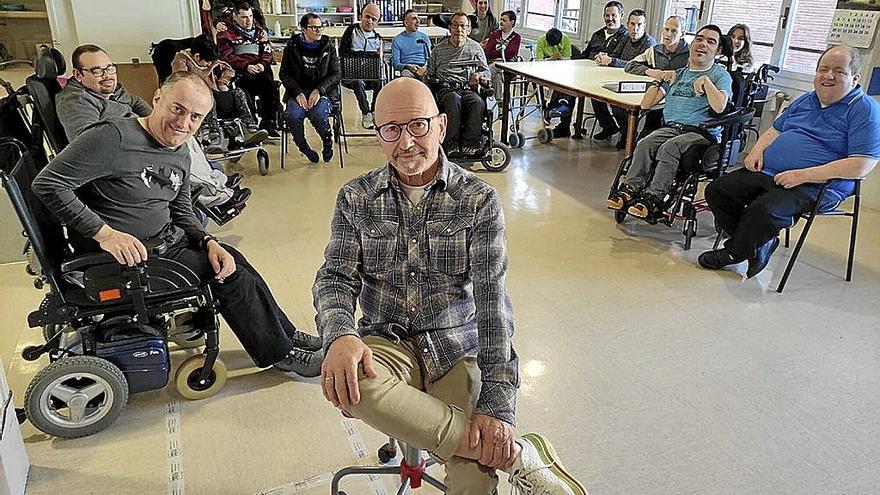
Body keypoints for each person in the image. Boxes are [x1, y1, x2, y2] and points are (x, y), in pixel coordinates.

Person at [313, 76, 588, 495]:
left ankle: (489, 447)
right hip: (386, 342)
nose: (406, 142)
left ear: (441, 126)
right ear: (379, 135)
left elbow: (493, 303)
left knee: (472, 484)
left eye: (418, 126)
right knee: (351, 385)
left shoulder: (477, 200)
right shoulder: (356, 197)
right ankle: (517, 456)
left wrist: (497, 407)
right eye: (391, 129)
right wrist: (341, 335)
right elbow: (335, 276)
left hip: (454, 346)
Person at [33, 72, 324, 376]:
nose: (184, 123)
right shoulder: (112, 137)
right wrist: (105, 234)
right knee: (230, 278)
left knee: (233, 259)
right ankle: (281, 353)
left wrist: (207, 240)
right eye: (177, 109)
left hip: (165, 240)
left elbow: (181, 209)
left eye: (195, 117)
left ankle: (286, 333)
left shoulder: (181, 149)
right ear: (157, 99)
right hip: (127, 256)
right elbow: (48, 184)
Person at [699, 45, 880, 278]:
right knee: (718, 191)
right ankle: (757, 243)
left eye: (838, 71)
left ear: (854, 78)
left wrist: (802, 175)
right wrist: (756, 151)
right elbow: (774, 131)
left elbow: (862, 164)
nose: (828, 76)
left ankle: (735, 252)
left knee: (764, 210)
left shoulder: (864, 111)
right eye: (823, 69)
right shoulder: (807, 99)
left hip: (821, 185)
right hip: (772, 172)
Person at [56, 44, 249, 212]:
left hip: (138, 135)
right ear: (78, 75)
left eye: (110, 68)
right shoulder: (75, 101)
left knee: (182, 133)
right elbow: (87, 142)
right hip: (126, 150)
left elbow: (136, 102)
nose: (107, 75)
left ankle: (215, 183)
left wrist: (155, 119)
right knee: (176, 146)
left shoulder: (113, 90)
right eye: (97, 71)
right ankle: (218, 195)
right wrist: (137, 133)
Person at [606, 25, 732, 220]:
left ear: (719, 50)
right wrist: (660, 77)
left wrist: (707, 83)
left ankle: (654, 197)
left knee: (670, 148)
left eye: (711, 42)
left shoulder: (720, 76)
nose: (703, 44)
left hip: (700, 133)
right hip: (673, 128)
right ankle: (630, 189)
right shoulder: (679, 74)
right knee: (645, 143)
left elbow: (720, 107)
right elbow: (647, 104)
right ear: (692, 44)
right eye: (699, 39)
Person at [172, 34, 268, 150]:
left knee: (239, 92)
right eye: (207, 62)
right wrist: (209, 69)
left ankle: (249, 128)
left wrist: (222, 82)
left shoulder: (209, 58)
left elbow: (229, 70)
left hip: (215, 92)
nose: (209, 64)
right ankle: (213, 133)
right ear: (197, 56)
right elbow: (184, 81)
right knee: (208, 95)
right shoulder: (182, 59)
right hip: (196, 97)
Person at [549, 1, 627, 139]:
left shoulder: (625, 37)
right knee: (565, 79)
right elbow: (585, 54)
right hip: (587, 72)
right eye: (607, 15)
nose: (610, 19)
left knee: (593, 94)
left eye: (613, 15)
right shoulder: (598, 34)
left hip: (608, 76)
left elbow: (619, 59)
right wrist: (569, 64)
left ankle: (609, 127)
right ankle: (563, 122)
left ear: (621, 15)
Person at [426, 12, 490, 158]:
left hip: (467, 88)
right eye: (455, 25)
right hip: (445, 88)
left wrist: (479, 76)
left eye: (463, 26)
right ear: (449, 28)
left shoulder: (475, 48)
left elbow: (486, 72)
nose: (459, 29)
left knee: (477, 102)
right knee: (453, 99)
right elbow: (429, 75)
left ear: (468, 29)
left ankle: (470, 145)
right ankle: (451, 144)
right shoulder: (439, 49)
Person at [279, 13, 340, 164]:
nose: (318, 31)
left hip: (322, 91)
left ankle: (327, 141)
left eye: (320, 27)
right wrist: (297, 92)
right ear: (303, 29)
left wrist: (319, 90)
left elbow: (336, 74)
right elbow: (284, 74)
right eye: (314, 27)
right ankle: (304, 147)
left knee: (318, 114)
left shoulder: (328, 46)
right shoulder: (292, 47)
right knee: (293, 115)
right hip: (298, 91)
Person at [217, 1, 281, 138]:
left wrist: (262, 64)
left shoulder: (259, 31)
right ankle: (250, 125)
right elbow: (226, 56)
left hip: (259, 67)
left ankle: (268, 123)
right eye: (244, 17)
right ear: (235, 16)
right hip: (240, 70)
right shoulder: (225, 32)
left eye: (250, 16)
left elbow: (267, 51)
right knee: (244, 89)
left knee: (269, 84)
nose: (248, 21)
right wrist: (246, 66)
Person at [594, 9, 655, 149]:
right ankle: (609, 126)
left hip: (639, 84)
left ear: (645, 25)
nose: (635, 28)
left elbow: (636, 66)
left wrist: (612, 61)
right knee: (596, 95)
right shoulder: (625, 38)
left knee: (617, 104)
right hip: (619, 78)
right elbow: (615, 55)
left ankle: (628, 135)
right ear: (627, 24)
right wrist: (604, 56)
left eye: (639, 24)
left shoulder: (649, 43)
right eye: (632, 24)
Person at [624, 15, 689, 139]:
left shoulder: (691, 54)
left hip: (679, 106)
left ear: (683, 33)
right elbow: (630, 65)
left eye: (674, 31)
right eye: (666, 29)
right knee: (644, 137)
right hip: (655, 102)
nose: (668, 34)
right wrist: (652, 72)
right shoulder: (654, 51)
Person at [339, 3, 383, 129]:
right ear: (361, 16)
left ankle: (374, 111)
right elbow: (343, 52)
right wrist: (365, 55)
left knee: (380, 82)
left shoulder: (377, 38)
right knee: (358, 82)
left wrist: (365, 56)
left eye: (374, 19)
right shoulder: (351, 31)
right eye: (367, 17)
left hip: (369, 74)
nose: (370, 21)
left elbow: (377, 59)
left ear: (377, 22)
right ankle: (365, 113)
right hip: (351, 74)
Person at [483, 10, 521, 101]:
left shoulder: (516, 37)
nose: (501, 22)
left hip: (509, 67)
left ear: (512, 22)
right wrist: (501, 52)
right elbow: (488, 52)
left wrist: (497, 53)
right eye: (500, 19)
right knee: (497, 77)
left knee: (496, 66)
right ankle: (499, 103)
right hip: (494, 66)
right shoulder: (495, 34)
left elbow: (510, 53)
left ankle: (484, 83)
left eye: (504, 20)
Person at [391, 9, 432, 79]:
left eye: (418, 18)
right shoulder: (397, 40)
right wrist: (408, 66)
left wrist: (424, 67)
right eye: (414, 19)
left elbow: (430, 58)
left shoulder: (424, 37)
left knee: (429, 78)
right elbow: (396, 64)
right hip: (407, 69)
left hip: (424, 68)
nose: (418, 21)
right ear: (406, 22)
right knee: (406, 77)